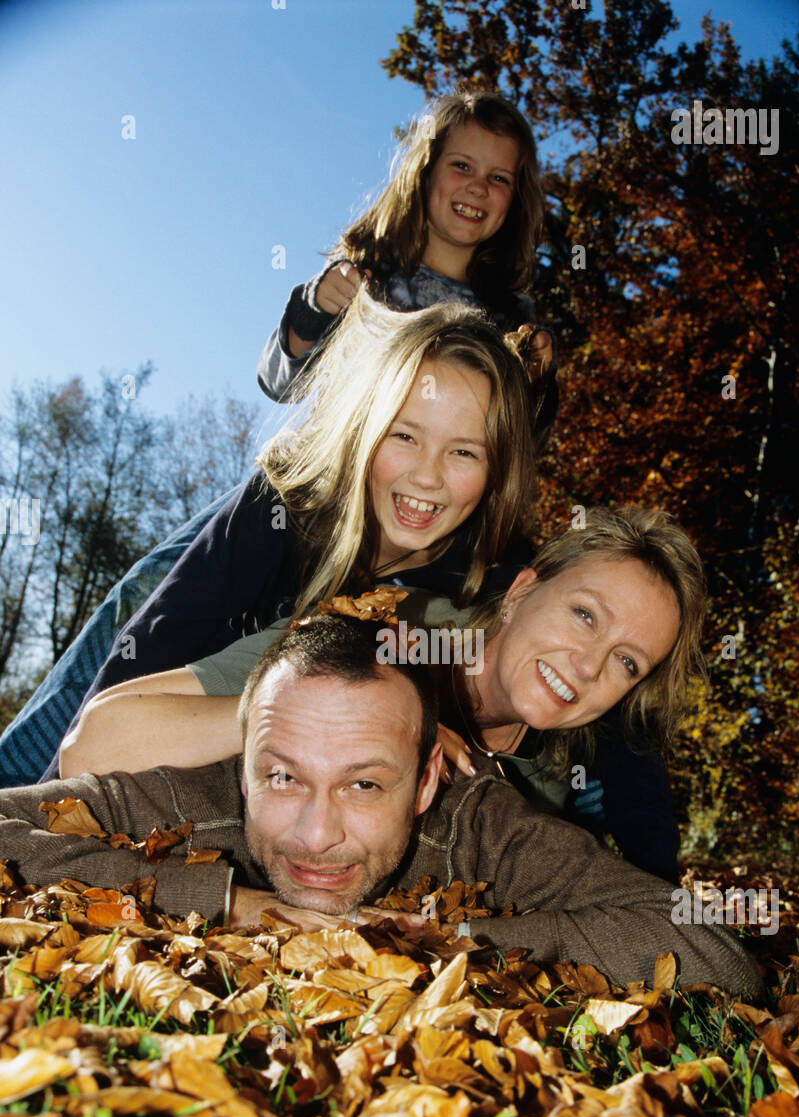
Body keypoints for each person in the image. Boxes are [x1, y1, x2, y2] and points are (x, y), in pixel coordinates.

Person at [0, 614, 762, 998]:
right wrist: (229, 902)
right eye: (284, 777)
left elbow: (712, 946)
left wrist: (448, 937)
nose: (314, 834)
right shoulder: (198, 793)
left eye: (365, 784)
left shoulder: (476, 822)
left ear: (428, 780)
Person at [8, 292, 535, 786]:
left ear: (498, 470)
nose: (427, 476)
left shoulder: (491, 585)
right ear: (363, 427)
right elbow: (145, 660)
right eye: (404, 436)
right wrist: (49, 817)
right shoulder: (281, 507)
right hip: (171, 705)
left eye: (464, 452)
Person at [60, 508, 701, 885]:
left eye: (626, 661)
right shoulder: (389, 631)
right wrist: (315, 719)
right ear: (522, 591)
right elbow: (92, 744)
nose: (590, 666)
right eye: (585, 615)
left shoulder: (555, 775)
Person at [257, 87, 557, 421]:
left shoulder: (510, 315)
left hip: (438, 471)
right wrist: (313, 312)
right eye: (461, 165)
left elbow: (520, 439)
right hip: (341, 467)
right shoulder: (364, 275)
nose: (478, 187)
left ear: (516, 199)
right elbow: (278, 383)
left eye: (499, 177)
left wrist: (534, 386)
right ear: (425, 173)